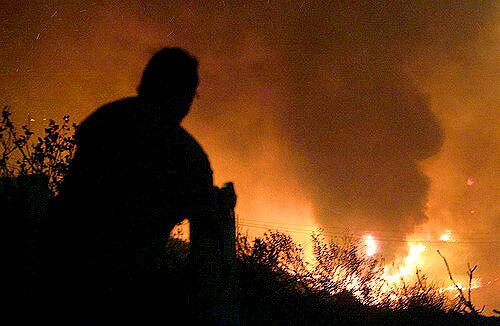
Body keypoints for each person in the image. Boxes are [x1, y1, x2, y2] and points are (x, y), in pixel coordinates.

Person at [45, 47, 234, 324]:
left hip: (61, 273)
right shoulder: (187, 155)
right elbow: (204, 218)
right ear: (185, 95)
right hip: (126, 291)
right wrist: (222, 204)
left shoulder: (103, 120)